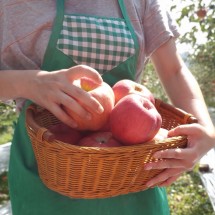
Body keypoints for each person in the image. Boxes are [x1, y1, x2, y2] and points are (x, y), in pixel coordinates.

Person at [0, 0, 214, 214]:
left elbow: (174, 71)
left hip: (131, 173)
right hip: (48, 171)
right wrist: (30, 82)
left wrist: (206, 131)